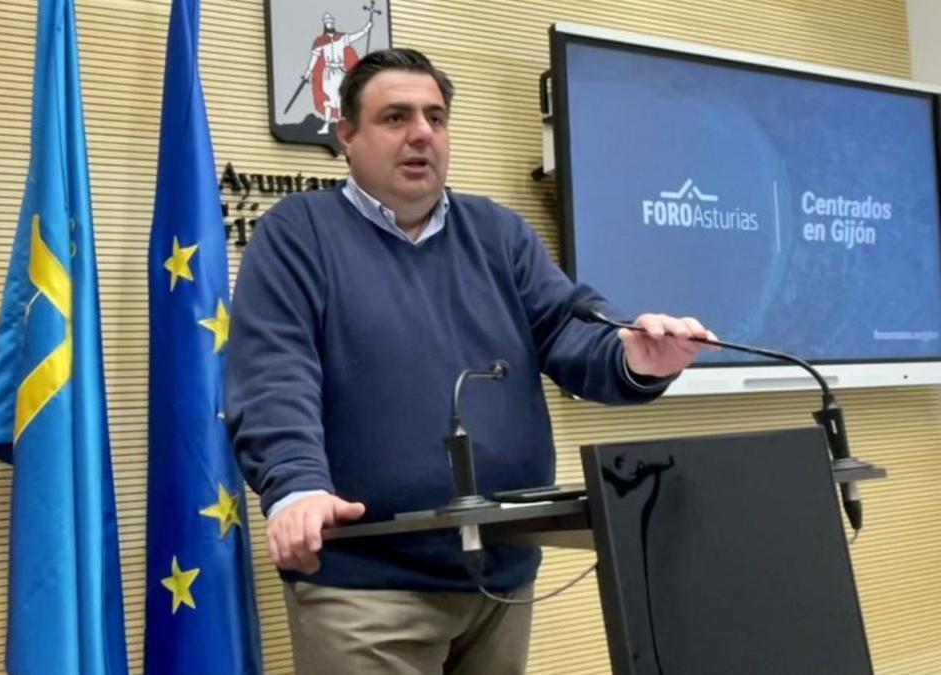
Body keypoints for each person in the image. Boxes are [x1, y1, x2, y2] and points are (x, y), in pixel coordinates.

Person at [225, 48, 716, 675]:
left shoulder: (498, 234)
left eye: (435, 116)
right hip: (368, 587)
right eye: (396, 117)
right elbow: (274, 372)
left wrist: (639, 358)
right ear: (347, 136)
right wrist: (295, 483)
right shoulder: (299, 234)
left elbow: (568, 328)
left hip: (499, 573)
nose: (422, 134)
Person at [301, 12, 371, 133]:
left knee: (340, 99)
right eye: (328, 22)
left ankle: (343, 127)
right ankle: (326, 126)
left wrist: (366, 28)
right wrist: (307, 73)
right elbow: (314, 59)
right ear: (325, 24)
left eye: (331, 22)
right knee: (328, 99)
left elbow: (356, 36)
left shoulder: (341, 39)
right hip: (328, 74)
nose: (330, 24)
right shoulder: (320, 42)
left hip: (340, 72)